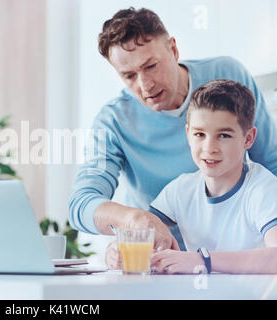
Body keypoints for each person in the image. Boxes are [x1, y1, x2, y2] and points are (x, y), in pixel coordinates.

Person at [68, 7, 277, 251]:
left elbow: (272, 163)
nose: (145, 85)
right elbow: (81, 204)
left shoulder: (228, 76)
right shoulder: (113, 122)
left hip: (233, 255)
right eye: (129, 76)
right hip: (159, 260)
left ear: (173, 49)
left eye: (151, 66)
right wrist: (132, 218)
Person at [110, 79, 277, 273]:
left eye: (223, 135)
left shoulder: (264, 188)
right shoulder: (180, 190)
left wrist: (203, 260)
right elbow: (142, 233)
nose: (209, 148)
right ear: (188, 134)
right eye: (200, 135)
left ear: (248, 138)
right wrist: (115, 250)